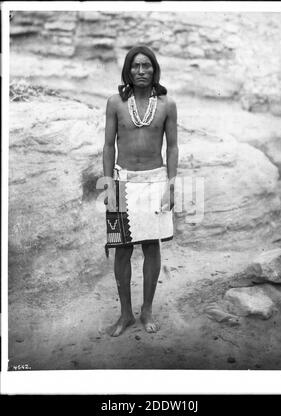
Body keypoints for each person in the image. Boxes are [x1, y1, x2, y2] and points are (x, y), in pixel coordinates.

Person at [102, 45, 178, 337]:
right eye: (136, 66)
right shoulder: (115, 103)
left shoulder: (167, 105)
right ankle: (125, 315)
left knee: (151, 246)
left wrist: (171, 185)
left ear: (154, 70)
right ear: (128, 70)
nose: (142, 71)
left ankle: (146, 311)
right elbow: (109, 146)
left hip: (155, 180)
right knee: (121, 249)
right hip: (121, 181)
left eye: (147, 66)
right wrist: (107, 182)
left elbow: (172, 147)